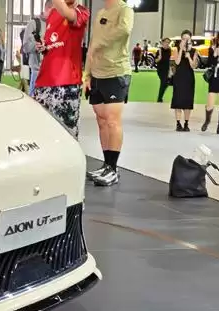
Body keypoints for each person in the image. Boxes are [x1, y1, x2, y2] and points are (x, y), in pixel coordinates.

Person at [83, 0, 134, 187]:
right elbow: (91, 46)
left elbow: (124, 30)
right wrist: (87, 74)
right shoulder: (100, 13)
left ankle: (113, 168)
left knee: (113, 120)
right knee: (101, 120)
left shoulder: (125, 10)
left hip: (116, 73)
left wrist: (100, 42)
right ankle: (106, 165)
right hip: (97, 74)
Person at [33, 0, 90, 139]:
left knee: (66, 134)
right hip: (44, 82)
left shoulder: (81, 12)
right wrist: (43, 46)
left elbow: (66, 12)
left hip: (66, 84)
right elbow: (52, 42)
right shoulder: (53, 13)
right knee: (42, 133)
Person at [171, 30, 198, 132]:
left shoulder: (194, 51)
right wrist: (181, 49)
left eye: (187, 39)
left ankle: (186, 123)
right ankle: (178, 123)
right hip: (179, 77)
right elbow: (177, 62)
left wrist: (189, 57)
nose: (186, 41)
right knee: (178, 100)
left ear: (191, 39)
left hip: (189, 77)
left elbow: (194, 66)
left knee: (187, 101)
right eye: (184, 39)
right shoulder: (176, 49)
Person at [23, 12, 46, 97]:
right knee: (34, 101)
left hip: (54, 74)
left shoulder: (57, 24)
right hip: (37, 72)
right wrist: (34, 46)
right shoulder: (34, 24)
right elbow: (25, 47)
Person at [155, 37, 172, 102]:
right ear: (162, 43)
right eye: (166, 42)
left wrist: (170, 69)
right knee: (163, 83)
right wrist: (159, 58)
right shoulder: (159, 50)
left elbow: (168, 60)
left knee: (166, 84)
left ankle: (160, 98)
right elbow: (155, 61)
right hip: (161, 70)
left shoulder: (169, 50)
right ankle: (159, 99)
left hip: (167, 69)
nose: (167, 43)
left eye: (168, 42)